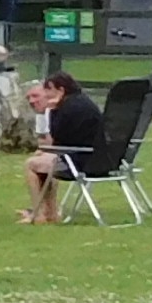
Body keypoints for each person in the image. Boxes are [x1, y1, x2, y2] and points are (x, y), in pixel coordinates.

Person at [23, 67, 103, 221]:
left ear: (61, 90)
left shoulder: (66, 108)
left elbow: (55, 141)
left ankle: (39, 215)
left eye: (49, 90)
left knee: (31, 164)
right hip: (101, 159)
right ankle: (50, 213)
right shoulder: (83, 102)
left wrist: (52, 112)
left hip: (81, 161)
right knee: (44, 160)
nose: (46, 94)